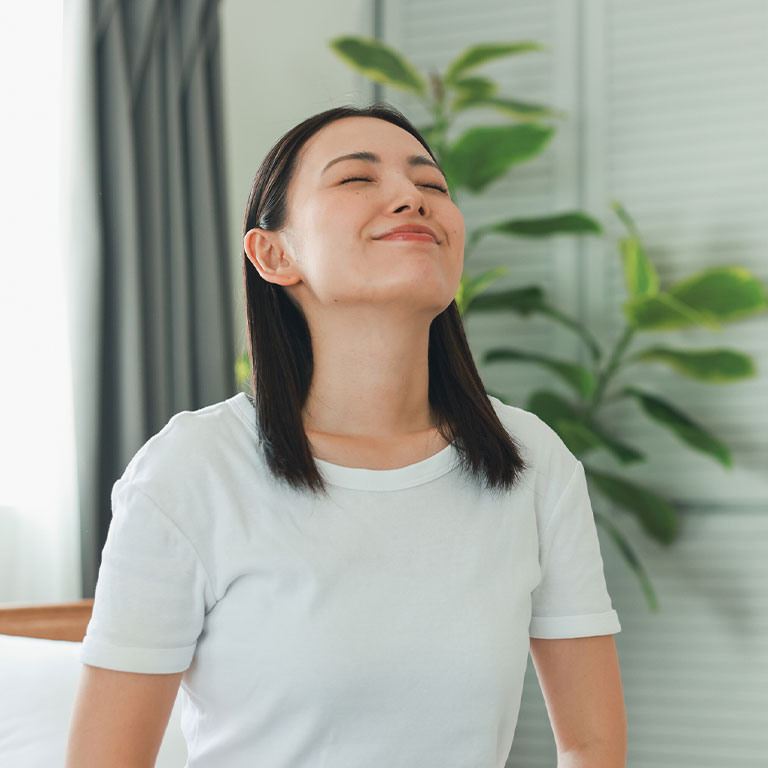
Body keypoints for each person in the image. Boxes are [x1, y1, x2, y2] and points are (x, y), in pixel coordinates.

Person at [67, 103, 626, 768]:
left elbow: (592, 745)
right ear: (272, 253)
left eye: (433, 187)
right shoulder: (191, 470)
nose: (410, 199)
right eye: (357, 180)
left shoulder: (532, 461)